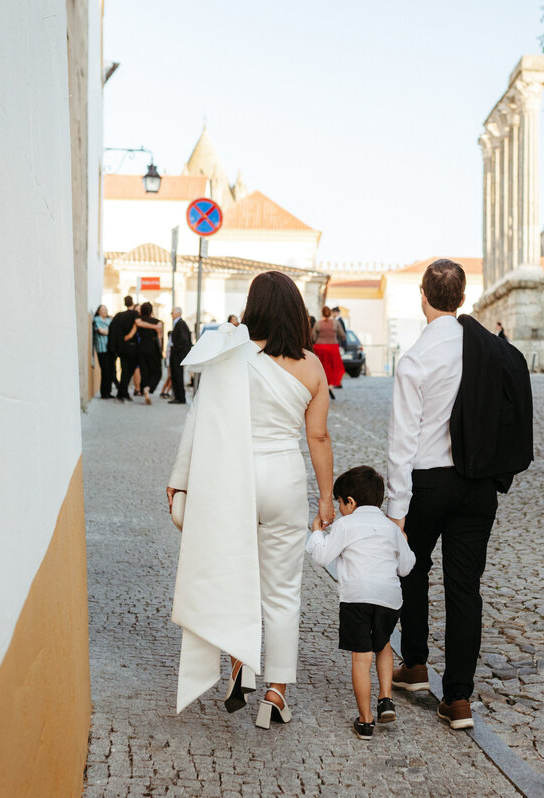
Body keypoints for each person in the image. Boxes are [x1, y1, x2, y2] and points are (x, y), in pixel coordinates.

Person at [167, 271, 334, 730]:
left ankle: (242, 664)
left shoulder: (229, 355)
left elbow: (200, 420)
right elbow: (317, 436)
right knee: (283, 590)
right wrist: (325, 498)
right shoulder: (311, 367)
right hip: (283, 478)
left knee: (235, 573)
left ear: (254, 307)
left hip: (233, 479)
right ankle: (276, 693)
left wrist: (181, 479)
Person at [386, 259, 492, 731]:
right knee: (464, 587)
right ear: (462, 299)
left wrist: (396, 508)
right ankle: (459, 699)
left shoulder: (415, 359)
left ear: (423, 297)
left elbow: (402, 441)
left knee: (412, 567)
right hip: (477, 484)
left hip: (429, 480)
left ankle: (414, 663)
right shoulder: (485, 351)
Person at [306, 466, 415, 741]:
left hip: (357, 598)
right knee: (384, 645)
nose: (340, 509)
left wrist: (317, 533)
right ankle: (386, 697)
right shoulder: (391, 528)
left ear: (350, 502)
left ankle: (366, 721)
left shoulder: (345, 525)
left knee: (361, 657)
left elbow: (322, 557)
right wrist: (404, 541)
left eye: (340, 503)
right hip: (389, 599)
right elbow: (406, 567)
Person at [130, 302, 164, 405]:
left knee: (144, 371)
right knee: (157, 372)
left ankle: (144, 388)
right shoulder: (157, 322)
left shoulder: (139, 321)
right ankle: (148, 388)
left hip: (141, 348)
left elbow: (132, 333)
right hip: (152, 348)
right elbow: (160, 337)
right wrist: (161, 351)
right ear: (151, 311)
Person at [107, 296, 140, 402]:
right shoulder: (135, 315)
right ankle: (122, 393)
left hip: (122, 348)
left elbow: (112, 330)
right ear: (133, 303)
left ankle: (123, 393)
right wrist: (129, 336)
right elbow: (137, 325)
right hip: (132, 347)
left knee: (124, 370)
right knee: (128, 371)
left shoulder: (119, 316)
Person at [313, 306, 345, 390]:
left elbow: (313, 337)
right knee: (334, 366)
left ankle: (321, 382)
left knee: (322, 365)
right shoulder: (336, 323)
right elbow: (342, 335)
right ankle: (331, 384)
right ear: (330, 313)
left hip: (320, 347)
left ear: (322, 313)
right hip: (333, 347)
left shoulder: (318, 323)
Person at [169, 307, 192, 404]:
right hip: (176, 354)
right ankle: (177, 397)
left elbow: (184, 340)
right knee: (175, 375)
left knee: (178, 376)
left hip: (178, 355)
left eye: (172, 312)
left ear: (178, 313)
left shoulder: (181, 324)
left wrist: (175, 348)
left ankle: (180, 398)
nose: (171, 314)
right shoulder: (177, 323)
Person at [93, 305, 113, 399]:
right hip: (101, 349)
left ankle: (108, 392)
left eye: (106, 309)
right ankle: (103, 393)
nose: (105, 311)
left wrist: (107, 331)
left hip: (109, 348)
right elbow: (101, 331)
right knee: (105, 370)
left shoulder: (109, 320)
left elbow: (112, 331)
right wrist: (108, 331)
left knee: (110, 370)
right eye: (103, 309)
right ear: (99, 311)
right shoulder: (96, 320)